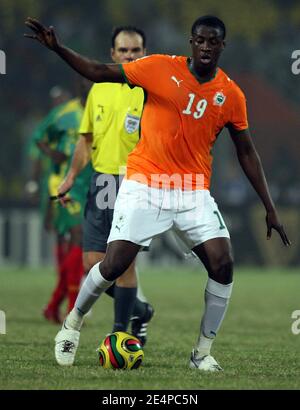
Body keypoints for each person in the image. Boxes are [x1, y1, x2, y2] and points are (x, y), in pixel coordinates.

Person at [25, 15, 291, 371]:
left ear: (222, 46)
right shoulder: (158, 68)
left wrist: (269, 206)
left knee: (223, 264)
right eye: (201, 40)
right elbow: (99, 71)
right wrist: (58, 49)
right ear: (191, 42)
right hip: (145, 184)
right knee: (113, 263)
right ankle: (72, 325)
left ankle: (201, 353)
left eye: (214, 42)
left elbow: (246, 151)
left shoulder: (231, 95)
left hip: (193, 191)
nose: (207, 47)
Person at [57, 26, 154, 343]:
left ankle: (120, 335)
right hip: (101, 181)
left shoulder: (151, 90)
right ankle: (140, 310)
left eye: (135, 50)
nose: (129, 56)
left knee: (124, 263)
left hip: (135, 182)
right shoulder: (99, 87)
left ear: (144, 53)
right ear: (112, 54)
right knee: (93, 264)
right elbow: (86, 140)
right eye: (123, 51)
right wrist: (71, 177)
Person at [33, 87, 93, 320]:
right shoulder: (63, 113)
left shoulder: (103, 109)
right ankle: (71, 308)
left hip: (89, 185)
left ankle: (53, 305)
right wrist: (51, 154)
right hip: (64, 184)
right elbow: (38, 138)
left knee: (72, 243)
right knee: (77, 235)